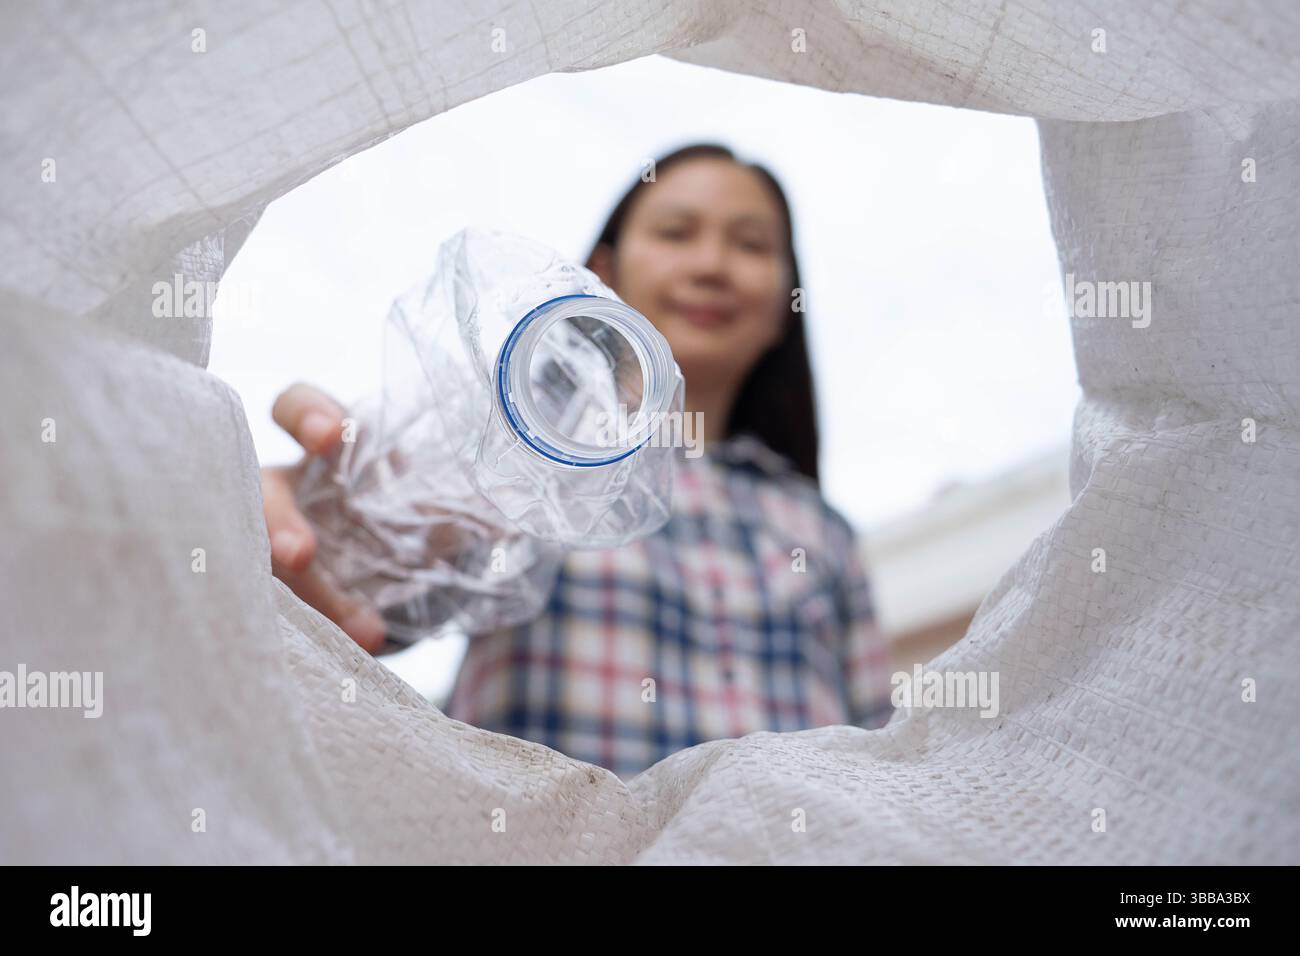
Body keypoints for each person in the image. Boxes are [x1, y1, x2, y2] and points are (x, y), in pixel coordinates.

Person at [261, 143, 893, 776]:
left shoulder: (823, 533)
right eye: (676, 232)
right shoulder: (507, 447)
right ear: (603, 274)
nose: (711, 264)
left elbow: (873, 763)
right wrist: (308, 532)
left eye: (751, 245)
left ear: (784, 309)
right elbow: (374, 597)